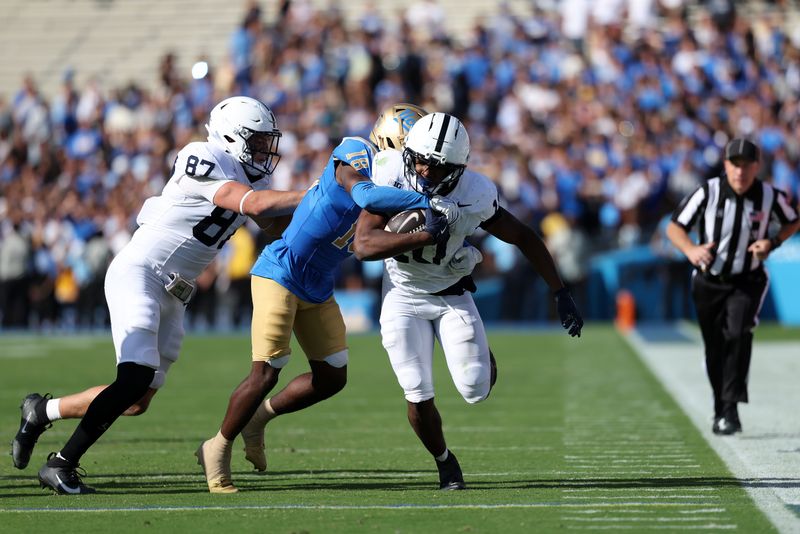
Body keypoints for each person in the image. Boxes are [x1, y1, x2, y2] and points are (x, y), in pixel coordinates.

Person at [14, 96, 307, 494]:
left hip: (175, 293)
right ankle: (63, 464)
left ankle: (41, 411)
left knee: (136, 399)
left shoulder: (255, 179)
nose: (262, 151)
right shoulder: (200, 154)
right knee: (133, 376)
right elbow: (249, 202)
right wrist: (317, 192)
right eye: (255, 141)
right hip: (142, 271)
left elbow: (271, 223)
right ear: (230, 137)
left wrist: (332, 212)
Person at [196, 106, 461, 493]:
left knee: (333, 376)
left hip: (318, 283)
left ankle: (259, 419)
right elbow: (365, 193)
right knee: (267, 371)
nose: (419, 165)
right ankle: (216, 449)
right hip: (281, 271)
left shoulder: (403, 186)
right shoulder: (355, 151)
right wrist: (424, 207)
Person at [353, 112, 584, 490]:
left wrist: (560, 291)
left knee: (475, 389)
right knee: (416, 388)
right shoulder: (390, 172)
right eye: (420, 158)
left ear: (458, 169)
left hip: (451, 295)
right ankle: (445, 463)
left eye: (436, 164)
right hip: (403, 296)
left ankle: (482, 354)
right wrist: (425, 237)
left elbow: (523, 235)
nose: (424, 169)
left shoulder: (474, 192)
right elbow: (363, 246)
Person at [667, 138, 799, 435]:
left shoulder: (769, 196)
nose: (740, 171)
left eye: (746, 165)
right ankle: (721, 408)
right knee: (715, 347)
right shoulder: (707, 192)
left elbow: (792, 220)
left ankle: (730, 409)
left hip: (747, 279)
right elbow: (675, 227)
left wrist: (772, 242)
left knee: (737, 335)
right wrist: (690, 250)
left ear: (757, 166)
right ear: (726, 165)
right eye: (734, 164)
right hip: (709, 280)